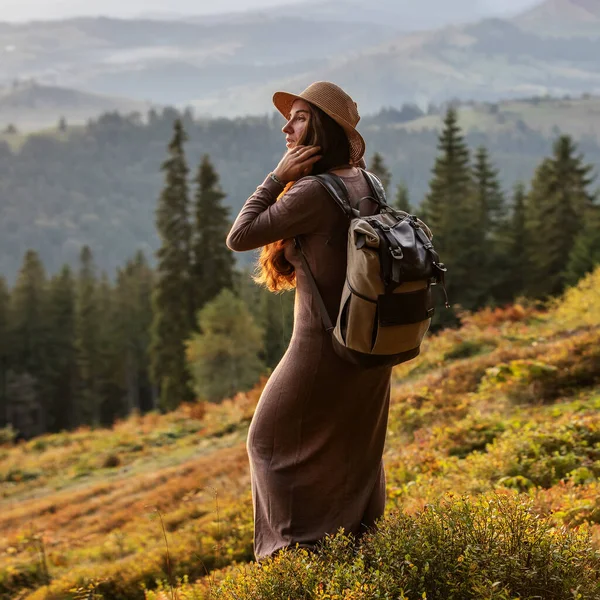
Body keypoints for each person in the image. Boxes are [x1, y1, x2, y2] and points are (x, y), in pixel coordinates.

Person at [226, 81, 393, 560]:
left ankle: (291, 558)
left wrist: (276, 177)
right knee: (354, 452)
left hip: (322, 349)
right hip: (368, 347)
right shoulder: (367, 182)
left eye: (298, 117)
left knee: (267, 444)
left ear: (320, 128)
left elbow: (240, 235)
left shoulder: (315, 192)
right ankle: (355, 552)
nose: (286, 126)